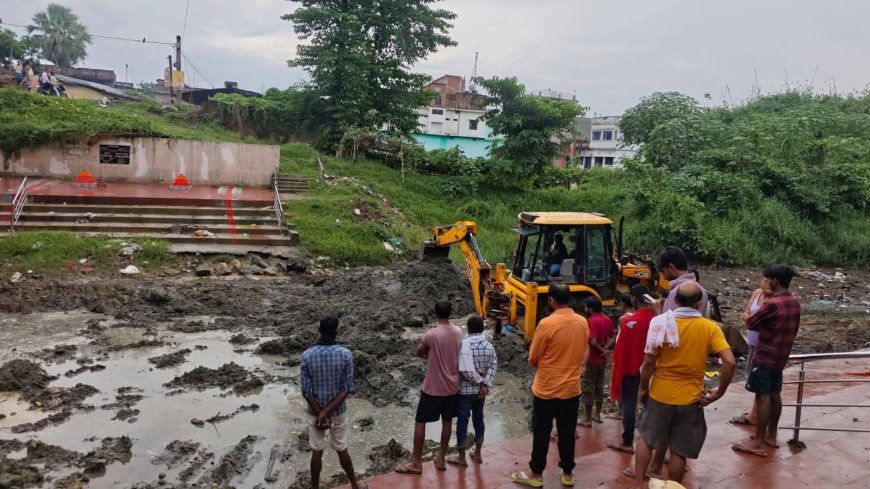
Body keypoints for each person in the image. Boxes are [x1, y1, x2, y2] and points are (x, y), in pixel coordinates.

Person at [633, 282, 735, 488]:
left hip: (660, 394)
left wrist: (643, 388)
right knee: (679, 451)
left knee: (646, 439)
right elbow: (730, 362)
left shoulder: (660, 322)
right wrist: (719, 393)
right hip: (690, 398)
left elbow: (649, 362)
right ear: (699, 304)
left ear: (676, 300)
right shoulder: (709, 327)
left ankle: (637, 485)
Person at [511, 284, 589, 488]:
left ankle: (536, 474)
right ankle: (568, 473)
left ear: (552, 300)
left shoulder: (546, 324)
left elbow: (533, 358)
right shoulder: (582, 322)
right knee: (567, 431)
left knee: (542, 432)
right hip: (571, 389)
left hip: (546, 389)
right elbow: (582, 350)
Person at [732, 265, 801, 457]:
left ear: (774, 281)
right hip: (780, 357)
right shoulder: (794, 302)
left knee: (762, 398)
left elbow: (752, 323)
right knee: (774, 394)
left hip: (765, 355)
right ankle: (771, 435)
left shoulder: (772, 303)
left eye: (767, 279)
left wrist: (748, 317)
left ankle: (758, 442)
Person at [300, 316, 368, 489]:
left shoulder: (307, 355)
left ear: (319, 330)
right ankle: (354, 485)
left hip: (314, 411)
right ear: (336, 331)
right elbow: (346, 389)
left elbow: (306, 390)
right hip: (338, 411)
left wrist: (320, 412)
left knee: (317, 450)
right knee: (341, 447)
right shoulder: (345, 354)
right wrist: (328, 412)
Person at [396, 301, 462, 475]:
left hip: (433, 387)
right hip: (452, 387)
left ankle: (417, 463)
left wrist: (428, 352)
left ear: (435, 313)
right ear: (450, 313)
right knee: (447, 421)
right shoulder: (458, 332)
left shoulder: (431, 335)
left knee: (420, 421)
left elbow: (419, 352)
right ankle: (441, 459)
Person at [607, 285, 656, 454]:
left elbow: (621, 352)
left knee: (629, 403)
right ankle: (653, 443)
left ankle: (627, 441)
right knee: (651, 405)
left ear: (634, 299)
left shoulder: (628, 322)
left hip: (632, 369)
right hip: (653, 370)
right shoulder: (657, 319)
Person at [447, 315, 497, 467]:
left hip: (465, 391)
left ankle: (461, 456)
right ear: (482, 328)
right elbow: (493, 366)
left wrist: (479, 382)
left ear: (468, 329)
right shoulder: (489, 346)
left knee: (462, 420)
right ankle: (478, 452)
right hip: (481, 393)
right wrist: (485, 385)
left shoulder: (463, 346)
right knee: (479, 418)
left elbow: (463, 370)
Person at [730, 279, 774, 426]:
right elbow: (747, 312)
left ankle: (755, 415)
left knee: (760, 380)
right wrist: (746, 316)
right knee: (754, 377)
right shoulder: (757, 293)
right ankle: (755, 412)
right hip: (752, 341)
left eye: (769, 281)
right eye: (765, 280)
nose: (766, 284)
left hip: (764, 344)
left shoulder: (774, 300)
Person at [579, 296, 613, 428]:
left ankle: (587, 418)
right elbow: (612, 336)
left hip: (592, 359)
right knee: (599, 387)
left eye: (586, 307)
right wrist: (606, 348)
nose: (585, 309)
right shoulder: (607, 319)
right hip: (602, 362)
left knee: (588, 387)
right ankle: (597, 415)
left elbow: (592, 341)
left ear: (591, 308)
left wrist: (601, 350)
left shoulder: (592, 321)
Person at [608, 293, 635, 421]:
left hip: (622, 354)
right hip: (631, 354)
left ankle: (621, 412)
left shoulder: (623, 319)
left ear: (623, 303)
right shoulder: (635, 317)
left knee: (620, 381)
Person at [659, 247, 709, 316]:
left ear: (671, 267)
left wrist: (657, 310)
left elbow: (668, 324)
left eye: (663, 271)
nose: (664, 276)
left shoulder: (676, 292)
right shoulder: (702, 290)